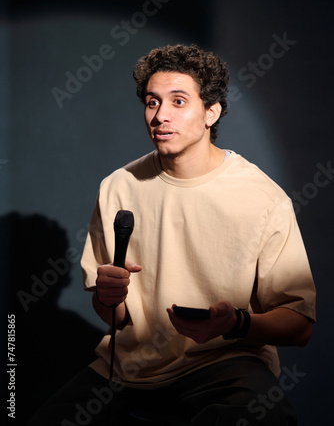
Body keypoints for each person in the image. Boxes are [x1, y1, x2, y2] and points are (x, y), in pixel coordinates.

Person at [27, 44, 316, 426]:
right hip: (130, 366)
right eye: (152, 102)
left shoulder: (262, 198)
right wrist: (108, 297)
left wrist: (235, 324)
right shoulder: (119, 187)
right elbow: (114, 317)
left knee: (267, 416)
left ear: (211, 112)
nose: (160, 116)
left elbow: (299, 325)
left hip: (225, 362)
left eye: (178, 101)